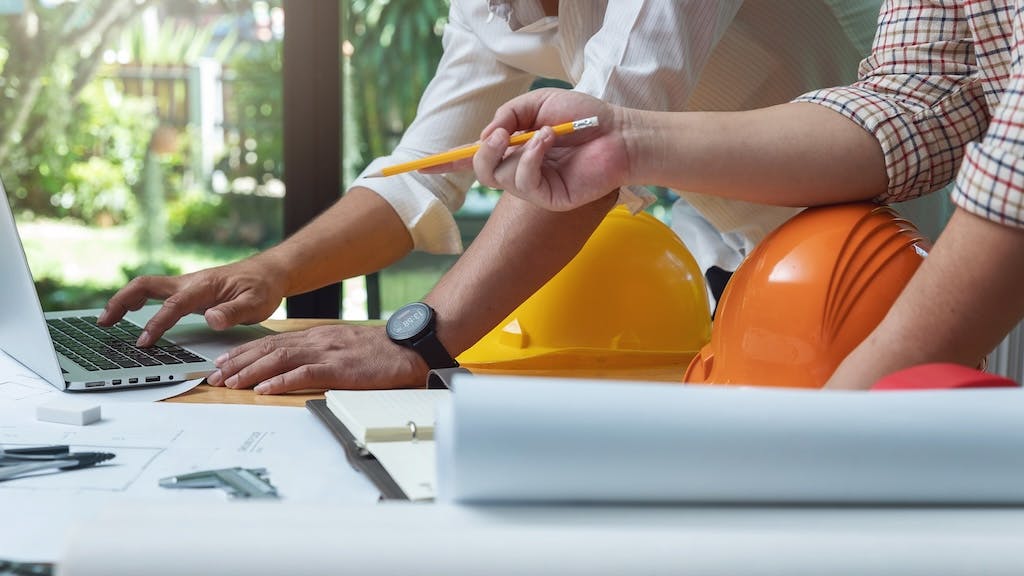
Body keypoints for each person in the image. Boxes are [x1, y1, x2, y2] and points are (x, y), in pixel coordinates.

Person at [99, 0, 880, 393]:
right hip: (722, 262)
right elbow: (419, 172)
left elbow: (593, 156)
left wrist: (414, 342)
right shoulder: (490, 10)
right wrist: (274, 269)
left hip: (857, 252)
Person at [462, 0, 1024, 390]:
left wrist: (840, 419)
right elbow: (920, 96)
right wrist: (627, 141)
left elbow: (1013, 172)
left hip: (952, 288)